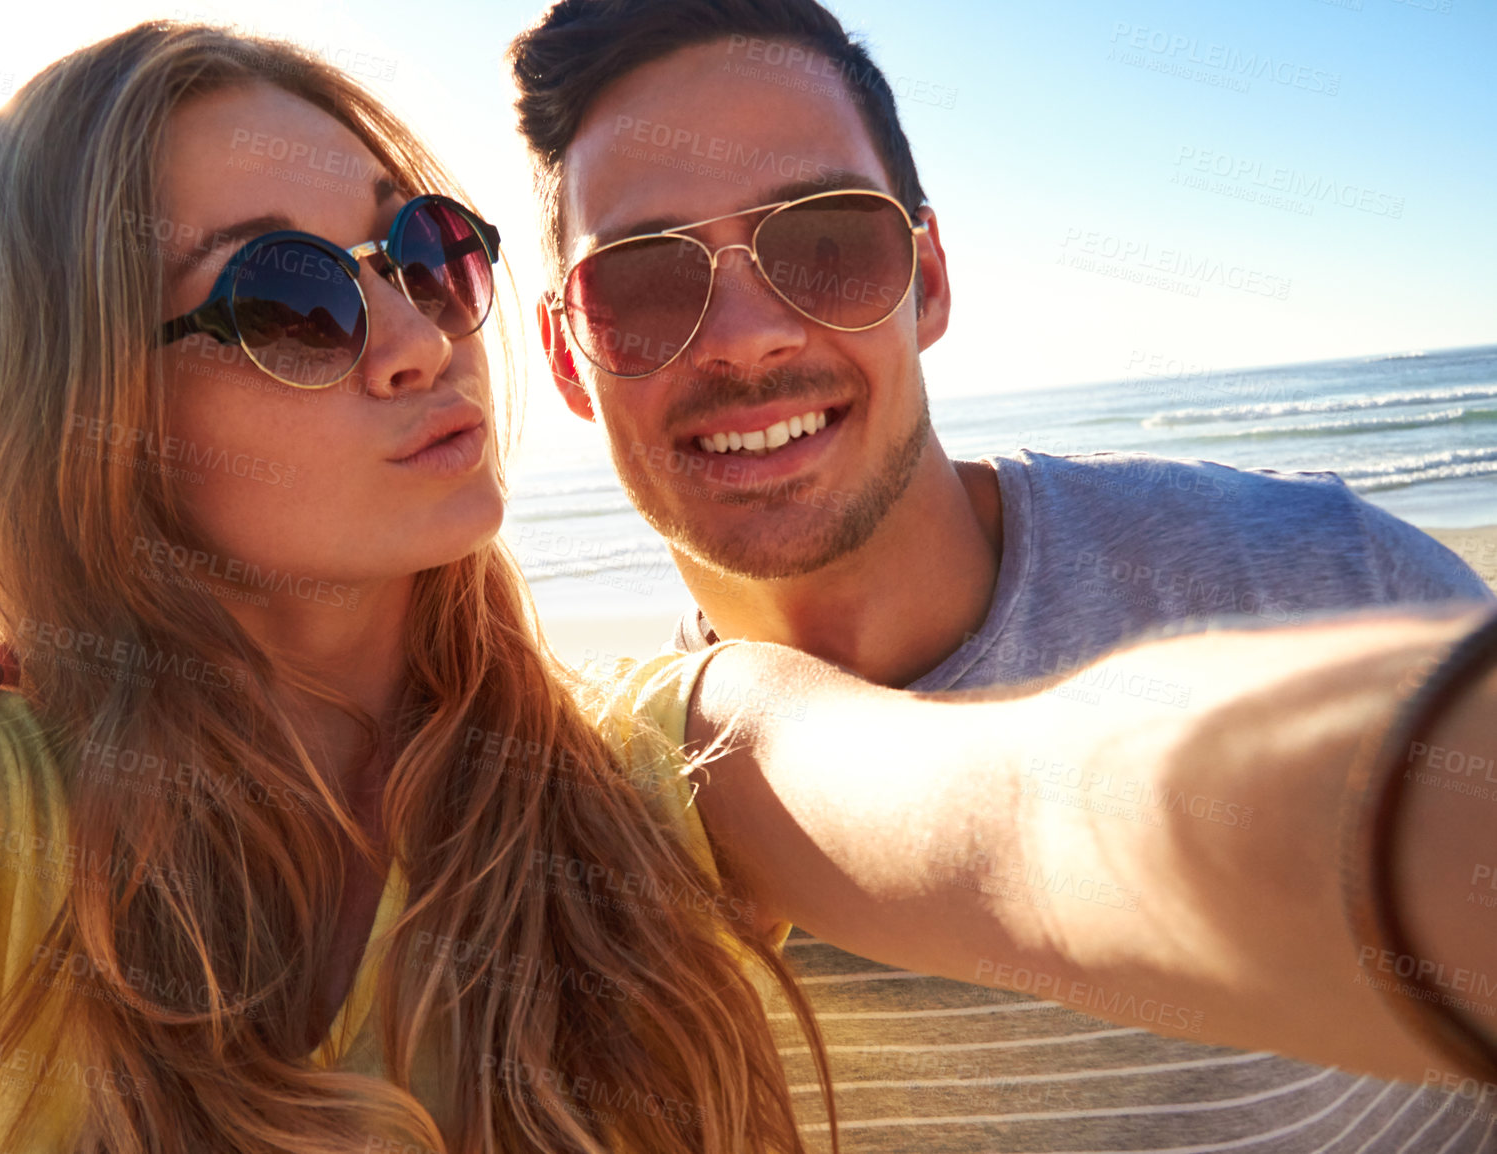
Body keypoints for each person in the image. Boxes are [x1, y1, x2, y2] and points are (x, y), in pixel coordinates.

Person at [0, 16, 1496, 1154]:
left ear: (929, 272)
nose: (409, 332)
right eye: (288, 296)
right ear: (85, 404)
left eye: (420, 247)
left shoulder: (636, 777)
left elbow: (1038, 810)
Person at [508, 0, 1497, 1149]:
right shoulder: (598, 849)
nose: (744, 334)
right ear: (568, 359)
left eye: (825, 244)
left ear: (925, 280)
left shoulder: (1322, 580)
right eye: (640, 285)